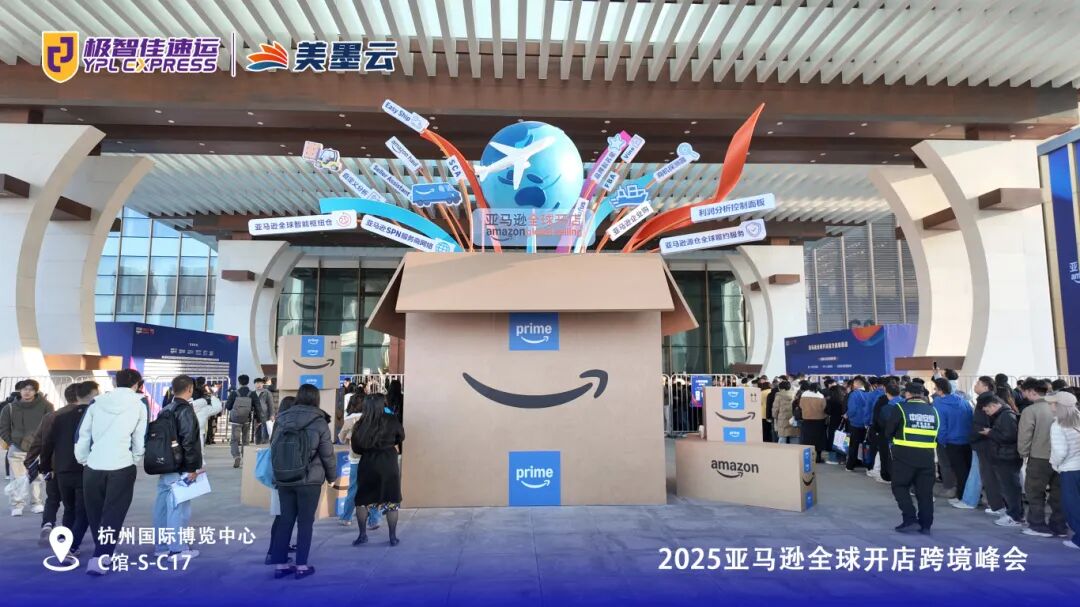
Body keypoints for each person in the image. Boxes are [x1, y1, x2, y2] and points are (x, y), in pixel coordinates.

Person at [75, 369, 148, 576]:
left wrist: (83, 458)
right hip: (121, 465)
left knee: (95, 513)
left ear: (116, 382)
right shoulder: (140, 403)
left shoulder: (97, 402)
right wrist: (135, 457)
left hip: (93, 465)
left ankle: (103, 551)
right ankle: (100, 556)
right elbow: (139, 436)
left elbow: (83, 433)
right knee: (113, 514)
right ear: (137, 384)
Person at [268, 385, 337, 579]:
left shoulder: (282, 419)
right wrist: (332, 477)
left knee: (285, 519)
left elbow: (273, 448)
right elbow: (327, 453)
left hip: (284, 478)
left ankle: (281, 565)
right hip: (310, 479)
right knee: (305, 522)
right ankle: (301, 566)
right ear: (316, 399)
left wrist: (277, 473)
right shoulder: (319, 421)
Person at [40, 380, 96, 561]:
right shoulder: (95, 416)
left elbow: (47, 444)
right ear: (93, 394)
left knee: (69, 509)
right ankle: (71, 546)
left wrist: (45, 467)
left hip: (62, 470)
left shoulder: (58, 417)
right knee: (83, 511)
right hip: (85, 470)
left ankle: (64, 542)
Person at [151, 375, 204, 559]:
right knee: (178, 508)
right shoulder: (185, 410)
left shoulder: (165, 409)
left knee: (162, 508)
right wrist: (192, 468)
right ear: (190, 388)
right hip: (180, 466)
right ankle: (177, 549)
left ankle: (161, 547)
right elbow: (188, 441)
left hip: (164, 465)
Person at [24, 383, 76, 544]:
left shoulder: (51, 416)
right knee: (72, 503)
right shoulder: (84, 415)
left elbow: (39, 441)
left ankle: (47, 524)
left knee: (52, 498)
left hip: (52, 465)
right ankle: (66, 533)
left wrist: (30, 462)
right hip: (74, 467)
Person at [351, 391, 404, 547]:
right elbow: (401, 436)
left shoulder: (360, 423)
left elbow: (356, 447)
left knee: (362, 500)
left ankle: (362, 535)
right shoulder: (392, 420)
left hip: (368, 463)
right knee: (392, 500)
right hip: (389, 462)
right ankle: (393, 537)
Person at [1018, 378, 1069, 538]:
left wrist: (1023, 453)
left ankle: (1038, 525)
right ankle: (1059, 526)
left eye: (1024, 392)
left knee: (1035, 493)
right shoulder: (1062, 408)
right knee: (1059, 493)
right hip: (1063, 458)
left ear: (1031, 391)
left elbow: (1025, 435)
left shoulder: (1030, 411)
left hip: (1039, 458)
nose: (1024, 395)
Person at [886, 382, 939, 533]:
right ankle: (926, 524)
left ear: (907, 394)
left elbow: (889, 431)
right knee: (925, 492)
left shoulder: (900, 408)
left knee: (900, 486)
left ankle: (910, 518)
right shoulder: (933, 410)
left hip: (904, 455)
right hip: (927, 457)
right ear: (922, 395)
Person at [0, 379, 55, 515]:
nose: (27, 392)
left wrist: (45, 443)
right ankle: (17, 505)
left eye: (30, 389)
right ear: (20, 390)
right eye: (24, 389)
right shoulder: (9, 407)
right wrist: (11, 442)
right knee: (17, 477)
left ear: (36, 391)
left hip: (38, 448)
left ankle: (36, 503)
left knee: (37, 477)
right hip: (16, 448)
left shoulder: (46, 406)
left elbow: (51, 425)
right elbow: (3, 428)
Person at [337, 381, 383, 530]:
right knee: (372, 488)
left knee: (353, 489)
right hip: (372, 459)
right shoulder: (373, 418)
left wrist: (349, 437)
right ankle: (374, 519)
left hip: (355, 458)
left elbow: (341, 438)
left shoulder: (350, 420)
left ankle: (346, 517)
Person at [978, 394, 1026, 527]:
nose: (986, 412)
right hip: (1005, 456)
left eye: (987, 409)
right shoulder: (1003, 415)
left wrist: (990, 433)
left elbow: (1009, 436)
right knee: (1008, 488)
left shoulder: (1006, 416)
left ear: (993, 405)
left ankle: (1015, 516)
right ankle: (1014, 513)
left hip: (1007, 457)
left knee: (1010, 488)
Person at [931, 377, 975, 509]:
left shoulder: (938, 404)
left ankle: (959, 494)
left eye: (935, 388)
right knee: (966, 469)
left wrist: (942, 441)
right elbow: (970, 419)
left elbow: (941, 426)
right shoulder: (964, 401)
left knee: (950, 467)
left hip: (950, 441)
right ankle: (966, 494)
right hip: (966, 440)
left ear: (940, 390)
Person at [970, 376, 1007, 517]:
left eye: (978, 383)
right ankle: (998, 504)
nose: (975, 385)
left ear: (986, 387)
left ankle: (997, 506)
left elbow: (981, 425)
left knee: (989, 476)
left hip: (986, 443)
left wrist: (976, 435)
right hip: (989, 442)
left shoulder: (985, 401)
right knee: (991, 475)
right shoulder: (994, 399)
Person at [1049, 391, 1080, 550]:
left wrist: (1055, 465)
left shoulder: (1058, 425)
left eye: (1052, 403)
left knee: (1072, 506)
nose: (1050, 406)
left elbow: (1060, 452)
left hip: (1070, 470)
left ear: (1058, 406)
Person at [866, 381, 902, 484]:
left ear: (886, 391)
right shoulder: (904, 403)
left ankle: (886, 476)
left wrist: (875, 430)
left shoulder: (885, 405)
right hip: (901, 436)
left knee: (885, 455)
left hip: (885, 435)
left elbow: (878, 420)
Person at [843, 376, 874, 471]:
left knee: (854, 445)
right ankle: (866, 464)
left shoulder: (854, 394)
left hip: (855, 423)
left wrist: (847, 415)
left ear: (856, 383)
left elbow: (852, 409)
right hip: (866, 424)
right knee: (865, 444)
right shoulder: (869, 394)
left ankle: (850, 465)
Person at [226, 374, 256, 468]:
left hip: (236, 420)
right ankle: (245, 458)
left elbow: (228, 406)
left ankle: (236, 456)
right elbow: (257, 406)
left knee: (234, 440)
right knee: (245, 440)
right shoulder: (252, 393)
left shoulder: (234, 393)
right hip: (247, 419)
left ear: (239, 382)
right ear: (248, 382)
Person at [797, 383, 827, 463]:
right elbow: (824, 407)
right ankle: (818, 457)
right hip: (819, 420)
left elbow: (800, 406)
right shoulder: (821, 396)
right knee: (819, 439)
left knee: (807, 439)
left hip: (807, 420)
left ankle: (808, 457)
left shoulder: (804, 395)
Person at [191, 383, 223, 448]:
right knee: (199, 452)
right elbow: (218, 407)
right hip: (199, 434)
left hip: (183, 434)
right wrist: (212, 396)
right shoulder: (204, 408)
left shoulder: (183, 405)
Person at [253, 377, 274, 445]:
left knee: (265, 432)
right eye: (257, 383)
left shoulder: (267, 393)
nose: (259, 385)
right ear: (254, 384)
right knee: (257, 431)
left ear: (263, 384)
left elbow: (271, 404)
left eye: (260, 383)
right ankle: (257, 444)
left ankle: (265, 445)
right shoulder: (252, 393)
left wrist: (272, 415)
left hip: (265, 415)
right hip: (256, 416)